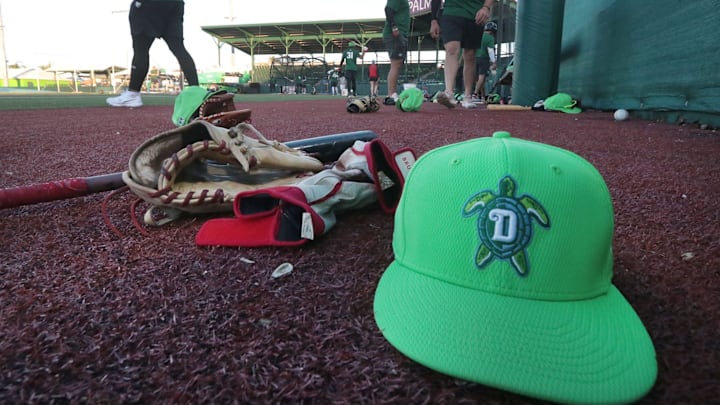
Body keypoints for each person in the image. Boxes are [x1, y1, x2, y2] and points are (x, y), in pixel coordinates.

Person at [107, 0, 199, 108]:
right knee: (179, 48)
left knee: (141, 50)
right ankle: (197, 93)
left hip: (149, 5)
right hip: (175, 4)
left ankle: (133, 94)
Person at [430, 0, 494, 109]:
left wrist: (486, 7)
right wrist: (433, 20)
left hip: (475, 14)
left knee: (470, 54)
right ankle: (449, 92)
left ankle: (468, 96)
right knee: (451, 48)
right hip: (451, 12)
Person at [382, 0, 410, 105]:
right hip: (395, 34)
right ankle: (391, 95)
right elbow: (388, 9)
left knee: (396, 64)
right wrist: (394, 27)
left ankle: (391, 94)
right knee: (395, 64)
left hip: (399, 33)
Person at [472, 21, 498, 102]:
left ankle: (483, 96)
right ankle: (475, 94)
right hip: (484, 58)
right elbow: (490, 51)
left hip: (474, 58)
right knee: (482, 77)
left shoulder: (478, 35)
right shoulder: (490, 38)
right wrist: (494, 62)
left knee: (478, 79)